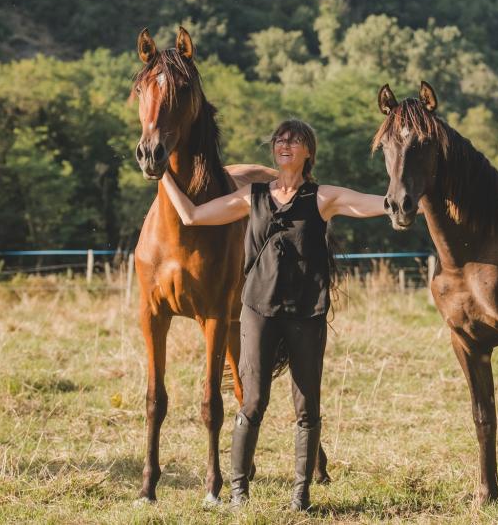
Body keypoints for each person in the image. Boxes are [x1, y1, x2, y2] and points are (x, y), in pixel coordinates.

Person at [161, 119, 386, 510]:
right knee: (252, 402)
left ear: (308, 151)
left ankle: (301, 495)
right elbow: (193, 216)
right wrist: (162, 172)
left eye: (294, 140)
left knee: (307, 405)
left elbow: (371, 203)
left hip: (306, 312)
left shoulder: (322, 197)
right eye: (280, 140)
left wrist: (402, 199)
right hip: (258, 310)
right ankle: (237, 493)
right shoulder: (254, 194)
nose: (285, 145)